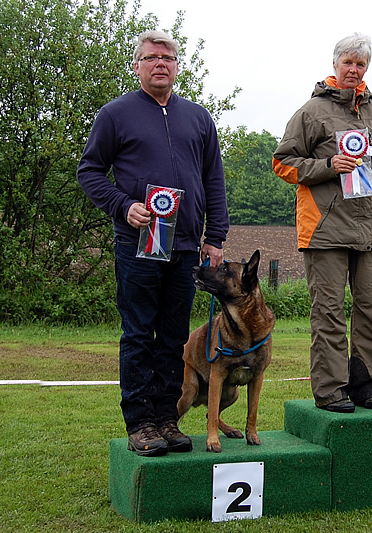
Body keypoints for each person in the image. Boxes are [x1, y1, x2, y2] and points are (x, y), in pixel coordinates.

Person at [77, 30, 228, 455]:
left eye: (167, 57)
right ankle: (140, 422)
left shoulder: (198, 119)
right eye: (151, 57)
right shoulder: (115, 114)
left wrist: (214, 237)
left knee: (174, 337)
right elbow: (89, 172)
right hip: (137, 244)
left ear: (177, 66)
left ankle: (167, 418)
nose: (160, 63)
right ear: (138, 64)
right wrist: (123, 206)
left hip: (184, 249)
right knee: (139, 333)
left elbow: (213, 181)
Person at [272, 33, 372, 413]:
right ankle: (331, 390)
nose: (354, 69)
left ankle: (367, 386)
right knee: (329, 315)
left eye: (361, 64)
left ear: (367, 68)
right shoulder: (311, 112)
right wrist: (327, 166)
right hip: (325, 231)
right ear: (335, 64)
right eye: (348, 62)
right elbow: (282, 162)